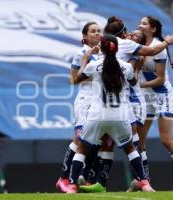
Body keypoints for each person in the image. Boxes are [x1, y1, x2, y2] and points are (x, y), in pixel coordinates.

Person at [79, 16, 173, 193]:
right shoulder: (121, 48)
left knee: (133, 143)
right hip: (120, 103)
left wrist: (165, 43)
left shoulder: (122, 49)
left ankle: (143, 181)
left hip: (132, 102)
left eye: (136, 34)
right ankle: (103, 182)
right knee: (110, 142)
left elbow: (148, 55)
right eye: (130, 32)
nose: (133, 33)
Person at [62, 34, 155, 193]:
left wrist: (86, 58)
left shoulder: (95, 65)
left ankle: (71, 185)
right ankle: (145, 182)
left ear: (102, 48)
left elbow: (77, 78)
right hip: (120, 116)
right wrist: (136, 65)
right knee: (131, 149)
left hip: (97, 115)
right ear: (117, 48)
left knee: (82, 149)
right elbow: (133, 82)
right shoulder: (126, 67)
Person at [137, 16, 173, 191]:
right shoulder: (142, 46)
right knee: (139, 140)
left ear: (153, 29)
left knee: (165, 140)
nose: (140, 25)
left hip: (162, 95)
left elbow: (161, 79)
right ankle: (143, 180)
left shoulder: (158, 47)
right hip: (146, 97)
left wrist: (139, 85)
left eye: (144, 23)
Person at [56, 21, 102, 192]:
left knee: (96, 140)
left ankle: (85, 177)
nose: (97, 33)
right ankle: (63, 178)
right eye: (93, 31)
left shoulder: (104, 54)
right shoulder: (81, 53)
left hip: (100, 101)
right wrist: (87, 63)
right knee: (79, 139)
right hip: (85, 99)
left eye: (99, 31)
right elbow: (73, 79)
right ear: (84, 36)